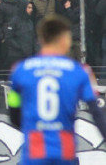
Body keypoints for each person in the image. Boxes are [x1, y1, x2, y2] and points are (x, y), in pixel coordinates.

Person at [8, 14, 106, 164]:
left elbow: (13, 111)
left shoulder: (21, 70)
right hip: (64, 153)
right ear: (64, 39)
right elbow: (96, 111)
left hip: (34, 153)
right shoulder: (77, 71)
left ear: (41, 39)